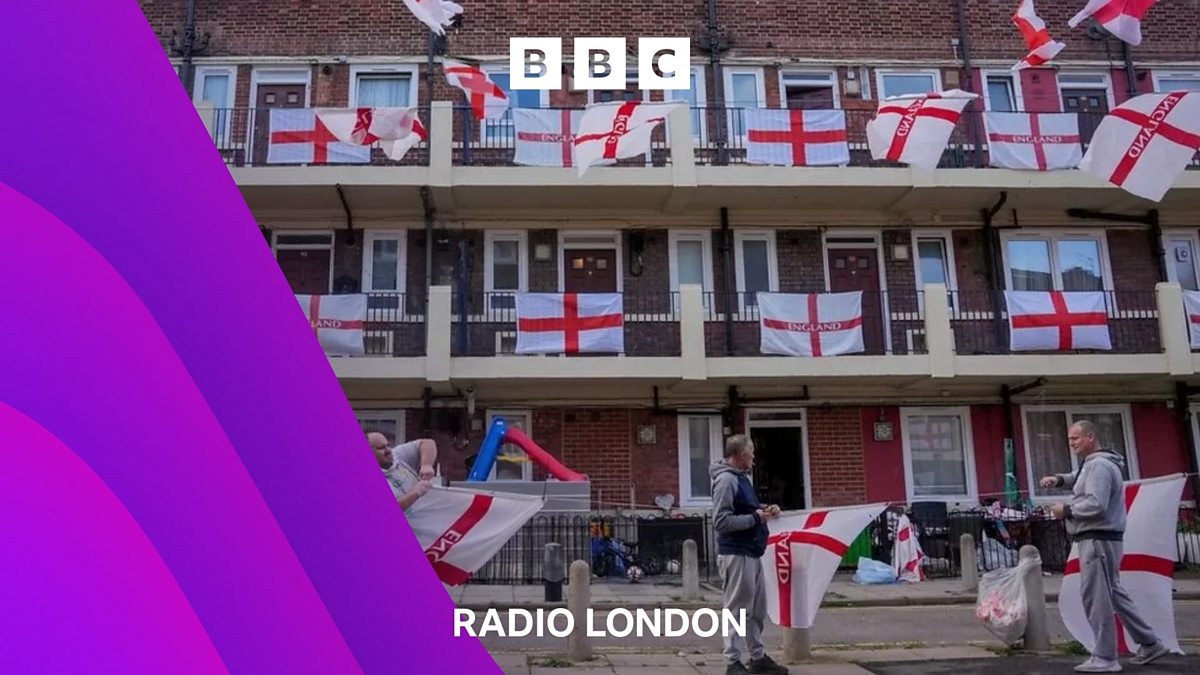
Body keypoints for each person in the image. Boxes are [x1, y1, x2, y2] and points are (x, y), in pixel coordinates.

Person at [1041, 420, 1169, 672]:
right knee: (1113, 593)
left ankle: (1105, 658)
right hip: (1104, 539)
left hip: (1097, 540)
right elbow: (1080, 480)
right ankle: (1150, 643)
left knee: (1096, 598)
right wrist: (1058, 480)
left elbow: (1096, 504)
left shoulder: (1098, 465)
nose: (1072, 443)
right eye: (1069, 439)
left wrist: (1064, 510)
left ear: (1091, 437)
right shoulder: (1095, 463)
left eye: (1076, 438)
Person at [710, 434, 788, 675]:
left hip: (751, 551)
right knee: (737, 609)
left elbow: (745, 510)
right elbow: (721, 521)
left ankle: (757, 656)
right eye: (751, 453)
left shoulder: (741, 479)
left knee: (756, 609)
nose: (754, 457)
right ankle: (732, 661)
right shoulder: (726, 481)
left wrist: (764, 510)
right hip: (736, 553)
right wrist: (756, 517)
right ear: (740, 455)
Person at [369, 432, 438, 512]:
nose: (388, 450)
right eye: (381, 448)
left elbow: (427, 443)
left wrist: (426, 465)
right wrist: (415, 493)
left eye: (388, 445)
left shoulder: (397, 456)